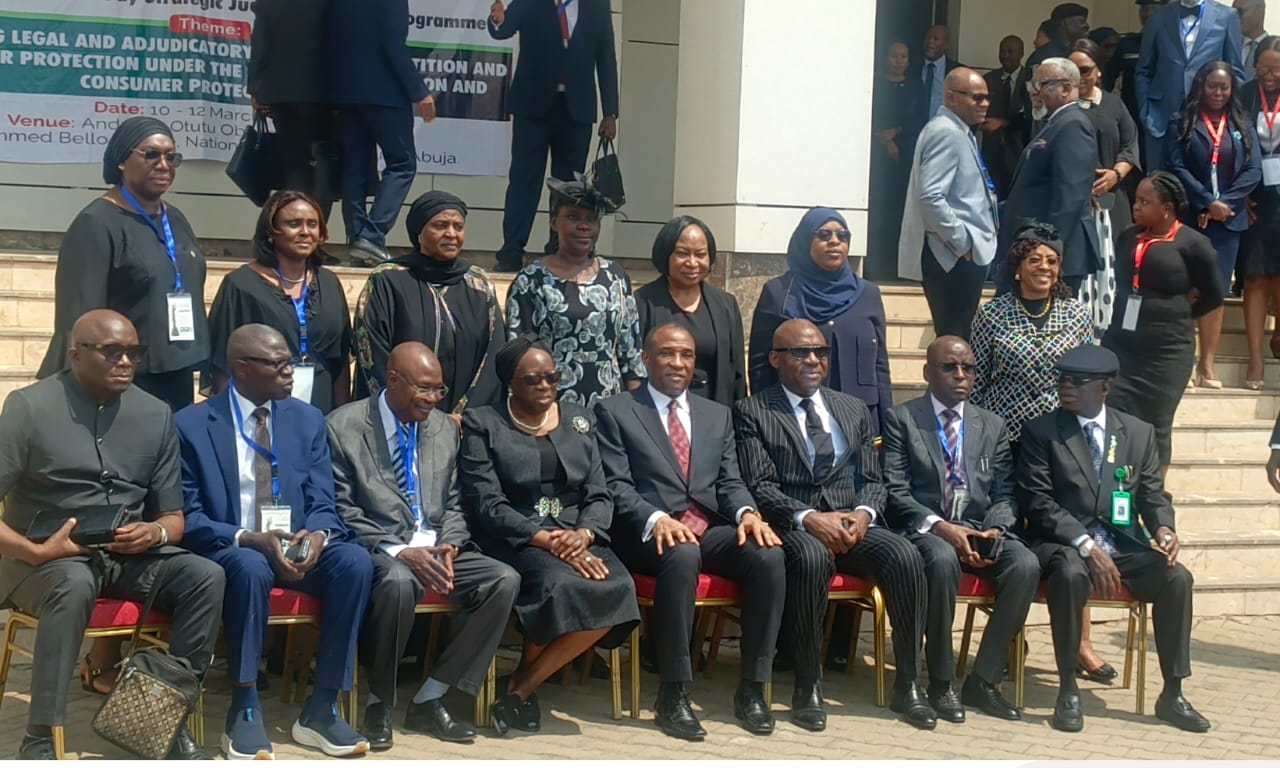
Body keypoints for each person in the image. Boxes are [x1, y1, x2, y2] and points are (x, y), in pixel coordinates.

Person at [0, 310, 223, 760]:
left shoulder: (155, 414)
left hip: (126, 557)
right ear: (75, 354)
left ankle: (162, 719)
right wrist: (35, 551)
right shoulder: (28, 407)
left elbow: (173, 518)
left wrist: (153, 533)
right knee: (73, 582)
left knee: (205, 576)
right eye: (111, 351)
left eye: (134, 352)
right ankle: (39, 737)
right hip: (43, 561)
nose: (125, 361)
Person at [176, 324, 374, 759]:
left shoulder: (307, 419)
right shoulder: (192, 424)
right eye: (278, 364)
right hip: (236, 545)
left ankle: (322, 706)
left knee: (355, 562)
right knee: (250, 568)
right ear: (241, 368)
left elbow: (323, 499)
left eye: (292, 362)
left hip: (297, 543)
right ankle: (245, 705)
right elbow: (189, 517)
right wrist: (250, 538)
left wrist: (318, 535)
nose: (291, 372)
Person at [733, 319, 934, 730]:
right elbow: (760, 485)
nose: (813, 360)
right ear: (775, 359)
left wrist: (863, 514)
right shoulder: (753, 411)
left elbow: (873, 479)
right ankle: (808, 684)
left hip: (851, 522)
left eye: (821, 352)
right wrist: (808, 518)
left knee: (905, 555)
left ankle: (909, 683)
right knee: (810, 559)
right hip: (795, 524)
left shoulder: (852, 408)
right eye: (800, 352)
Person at [597, 324, 784, 740]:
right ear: (646, 359)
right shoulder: (616, 411)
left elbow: (729, 481)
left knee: (767, 554)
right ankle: (673, 692)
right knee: (682, 554)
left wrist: (747, 513)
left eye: (686, 355)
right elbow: (615, 485)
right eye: (666, 354)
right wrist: (654, 518)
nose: (677, 363)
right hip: (648, 532)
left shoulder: (716, 414)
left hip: (707, 527)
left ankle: (754, 688)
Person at [328, 342, 520, 748]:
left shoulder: (444, 428)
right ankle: (379, 701)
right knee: (399, 583)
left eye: (439, 389)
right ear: (392, 380)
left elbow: (455, 501)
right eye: (424, 389)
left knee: (502, 580)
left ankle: (431, 696)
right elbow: (342, 509)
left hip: (436, 545)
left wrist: (450, 544)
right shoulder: (343, 426)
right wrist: (400, 551)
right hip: (382, 549)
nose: (434, 399)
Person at [1017, 344, 1211, 735]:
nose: (1066, 386)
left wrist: (1164, 528)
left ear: (1105, 387)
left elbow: (1152, 495)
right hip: (1065, 544)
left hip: (1121, 545)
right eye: (1062, 379)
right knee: (1070, 575)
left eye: (1078, 381)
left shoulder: (1137, 433)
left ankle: (1173, 693)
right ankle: (1068, 689)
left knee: (1177, 579)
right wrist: (1086, 546)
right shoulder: (1041, 432)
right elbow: (1038, 503)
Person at [460, 335, 639, 735]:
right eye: (532, 380)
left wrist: (586, 533)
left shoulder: (579, 419)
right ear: (510, 383)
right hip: (517, 538)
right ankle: (524, 691)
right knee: (558, 584)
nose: (545, 386)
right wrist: (548, 541)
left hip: (577, 536)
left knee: (617, 586)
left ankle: (523, 685)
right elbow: (487, 504)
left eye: (552, 378)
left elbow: (599, 492)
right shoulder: (483, 423)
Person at [881, 335, 1039, 723]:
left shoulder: (992, 425)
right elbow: (895, 491)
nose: (960, 375)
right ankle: (940, 681)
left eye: (968, 368)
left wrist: (996, 529)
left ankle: (983, 679)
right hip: (926, 530)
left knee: (1025, 564)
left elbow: (1003, 493)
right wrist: (942, 528)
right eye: (949, 367)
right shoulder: (903, 419)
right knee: (941, 560)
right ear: (927, 373)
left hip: (980, 529)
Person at [38, 116, 208, 412]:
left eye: (171, 157)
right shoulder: (96, 223)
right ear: (121, 161)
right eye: (151, 154)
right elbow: (78, 318)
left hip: (176, 372)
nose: (163, 165)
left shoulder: (175, 218)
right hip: (121, 378)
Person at [486, 0, 620, 273]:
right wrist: (497, 20)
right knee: (524, 181)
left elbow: (606, 58)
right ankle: (511, 251)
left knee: (568, 188)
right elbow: (503, 30)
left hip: (576, 111)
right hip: (532, 108)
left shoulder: (596, 6)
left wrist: (610, 113)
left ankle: (559, 249)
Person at [1103, 172, 1223, 472]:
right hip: (1121, 347)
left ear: (1167, 208)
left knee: (1156, 425)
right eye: (1136, 200)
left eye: (1145, 202)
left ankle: (1152, 495)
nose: (1136, 206)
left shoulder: (1194, 244)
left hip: (1166, 353)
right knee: (1113, 419)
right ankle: (1115, 489)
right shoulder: (1127, 236)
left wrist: (1176, 314)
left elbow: (1213, 296)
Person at [353, 191, 505, 416]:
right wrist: (407, 409)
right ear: (419, 232)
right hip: (400, 416)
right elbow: (371, 351)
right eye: (440, 225)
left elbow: (492, 356)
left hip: (463, 422)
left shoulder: (478, 285)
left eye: (458, 227)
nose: (451, 234)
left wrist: (465, 417)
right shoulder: (388, 280)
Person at [749, 208, 893, 434]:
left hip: (861, 420)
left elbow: (880, 366)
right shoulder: (779, 293)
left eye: (842, 236)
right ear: (805, 241)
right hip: (796, 418)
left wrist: (888, 426)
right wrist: (764, 419)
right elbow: (760, 365)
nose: (835, 241)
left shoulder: (868, 294)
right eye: (824, 235)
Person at [207, 190, 352, 414]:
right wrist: (233, 418)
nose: (305, 232)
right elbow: (223, 364)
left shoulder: (330, 282)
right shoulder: (240, 285)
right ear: (270, 231)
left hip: (322, 408)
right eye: (294, 224)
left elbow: (341, 360)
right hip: (261, 408)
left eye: (312, 224)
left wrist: (341, 415)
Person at [505, 176, 644, 408]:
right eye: (573, 217)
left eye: (591, 219)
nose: (584, 226)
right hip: (551, 408)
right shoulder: (530, 280)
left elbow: (631, 353)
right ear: (554, 223)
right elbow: (518, 354)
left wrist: (635, 410)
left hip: (609, 408)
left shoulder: (615, 277)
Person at [1167, 60, 1262, 386]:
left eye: (1224, 87)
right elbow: (1176, 166)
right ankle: (1184, 362)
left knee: (1215, 291)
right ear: (1200, 86)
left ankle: (1207, 365)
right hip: (1192, 217)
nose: (1218, 92)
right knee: (1187, 289)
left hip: (1227, 223)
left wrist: (1225, 204)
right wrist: (1207, 201)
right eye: (1212, 86)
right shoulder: (1182, 121)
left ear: (1232, 89)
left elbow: (1253, 170)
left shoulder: (1242, 123)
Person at [327, 0, 437, 265]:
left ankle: (357, 240)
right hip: (386, 94)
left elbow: (329, 43)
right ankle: (371, 236)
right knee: (402, 164)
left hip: (348, 93)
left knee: (355, 167)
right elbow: (392, 44)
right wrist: (419, 91)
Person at [970, 222, 1095, 450]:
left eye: (1052, 261)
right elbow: (977, 380)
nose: (1044, 267)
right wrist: (974, 432)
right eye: (1034, 260)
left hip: (1059, 433)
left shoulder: (1077, 314)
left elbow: (1086, 376)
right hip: (1005, 433)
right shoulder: (991, 314)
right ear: (1017, 268)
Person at [899, 67, 999, 341]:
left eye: (987, 97)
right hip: (950, 256)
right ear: (951, 97)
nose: (985, 104)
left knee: (958, 337)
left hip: (958, 253)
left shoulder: (958, 130)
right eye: (976, 98)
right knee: (954, 340)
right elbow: (931, 196)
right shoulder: (947, 132)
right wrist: (962, 242)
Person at [1000, 58, 1101, 293]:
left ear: (1066, 88)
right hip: (1033, 252)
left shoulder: (1073, 125)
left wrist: (1048, 251)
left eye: (1042, 84)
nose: (1034, 92)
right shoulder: (1053, 123)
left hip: (1050, 258)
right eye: (1032, 85)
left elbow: (1070, 197)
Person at [634, 216, 746, 406]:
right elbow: (633, 369)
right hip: (659, 410)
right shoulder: (642, 302)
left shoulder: (726, 305)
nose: (692, 263)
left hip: (714, 410)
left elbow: (737, 373)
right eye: (682, 253)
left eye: (700, 254)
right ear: (665, 254)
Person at [1070, 38, 1142, 334]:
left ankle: (1114, 334)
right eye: (1072, 70)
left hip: (1113, 201)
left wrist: (1115, 174)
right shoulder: (1060, 106)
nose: (1079, 77)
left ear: (1099, 70)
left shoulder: (1113, 103)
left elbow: (1131, 144)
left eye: (1085, 70)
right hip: (1074, 202)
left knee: (1118, 265)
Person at [247, 0, 337, 220]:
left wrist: (256, 90)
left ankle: (293, 226)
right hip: (319, 97)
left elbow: (259, 48)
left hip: (280, 96)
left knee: (295, 167)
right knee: (322, 166)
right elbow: (336, 50)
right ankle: (312, 231)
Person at [1136, 0, 1244, 169]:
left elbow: (1235, 72)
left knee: (1204, 180)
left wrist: (1227, 115)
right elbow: (1143, 70)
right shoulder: (1158, 16)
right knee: (1159, 181)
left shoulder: (1227, 16)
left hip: (1208, 119)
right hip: (1161, 118)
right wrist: (1146, 111)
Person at [1240, 36, 1280, 389]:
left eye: (1275, 70)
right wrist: (1239, 193)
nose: (1267, 76)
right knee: (1255, 277)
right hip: (1254, 197)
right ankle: (1255, 358)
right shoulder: (1245, 95)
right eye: (1262, 68)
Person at [871, 40, 920, 278]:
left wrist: (897, 132)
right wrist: (885, 140)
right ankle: (875, 265)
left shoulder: (915, 86)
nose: (899, 61)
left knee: (900, 209)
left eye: (904, 56)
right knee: (878, 207)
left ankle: (896, 268)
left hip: (906, 153)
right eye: (894, 56)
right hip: (876, 154)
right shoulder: (875, 84)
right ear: (885, 58)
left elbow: (918, 118)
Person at [1114, 1, 1173, 144]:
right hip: (1131, 115)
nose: (1147, 13)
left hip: (1165, 116)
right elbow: (1108, 77)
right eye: (1143, 9)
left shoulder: (1175, 45)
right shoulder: (1127, 44)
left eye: (1153, 8)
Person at [982, 35, 1027, 199]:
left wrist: (1004, 123)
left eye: (1010, 52)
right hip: (991, 151)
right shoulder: (988, 80)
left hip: (1018, 151)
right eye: (1002, 51)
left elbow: (1030, 117)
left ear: (1021, 53)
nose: (1006, 56)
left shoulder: (1030, 80)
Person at [913, 25, 963, 128]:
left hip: (945, 130)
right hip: (914, 130)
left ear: (946, 45)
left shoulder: (958, 72)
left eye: (936, 39)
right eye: (928, 37)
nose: (930, 41)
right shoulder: (912, 67)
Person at [1237, 0, 1269, 72]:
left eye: (1240, 12)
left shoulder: (1274, 50)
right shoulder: (1229, 47)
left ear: (1259, 11)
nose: (1236, 18)